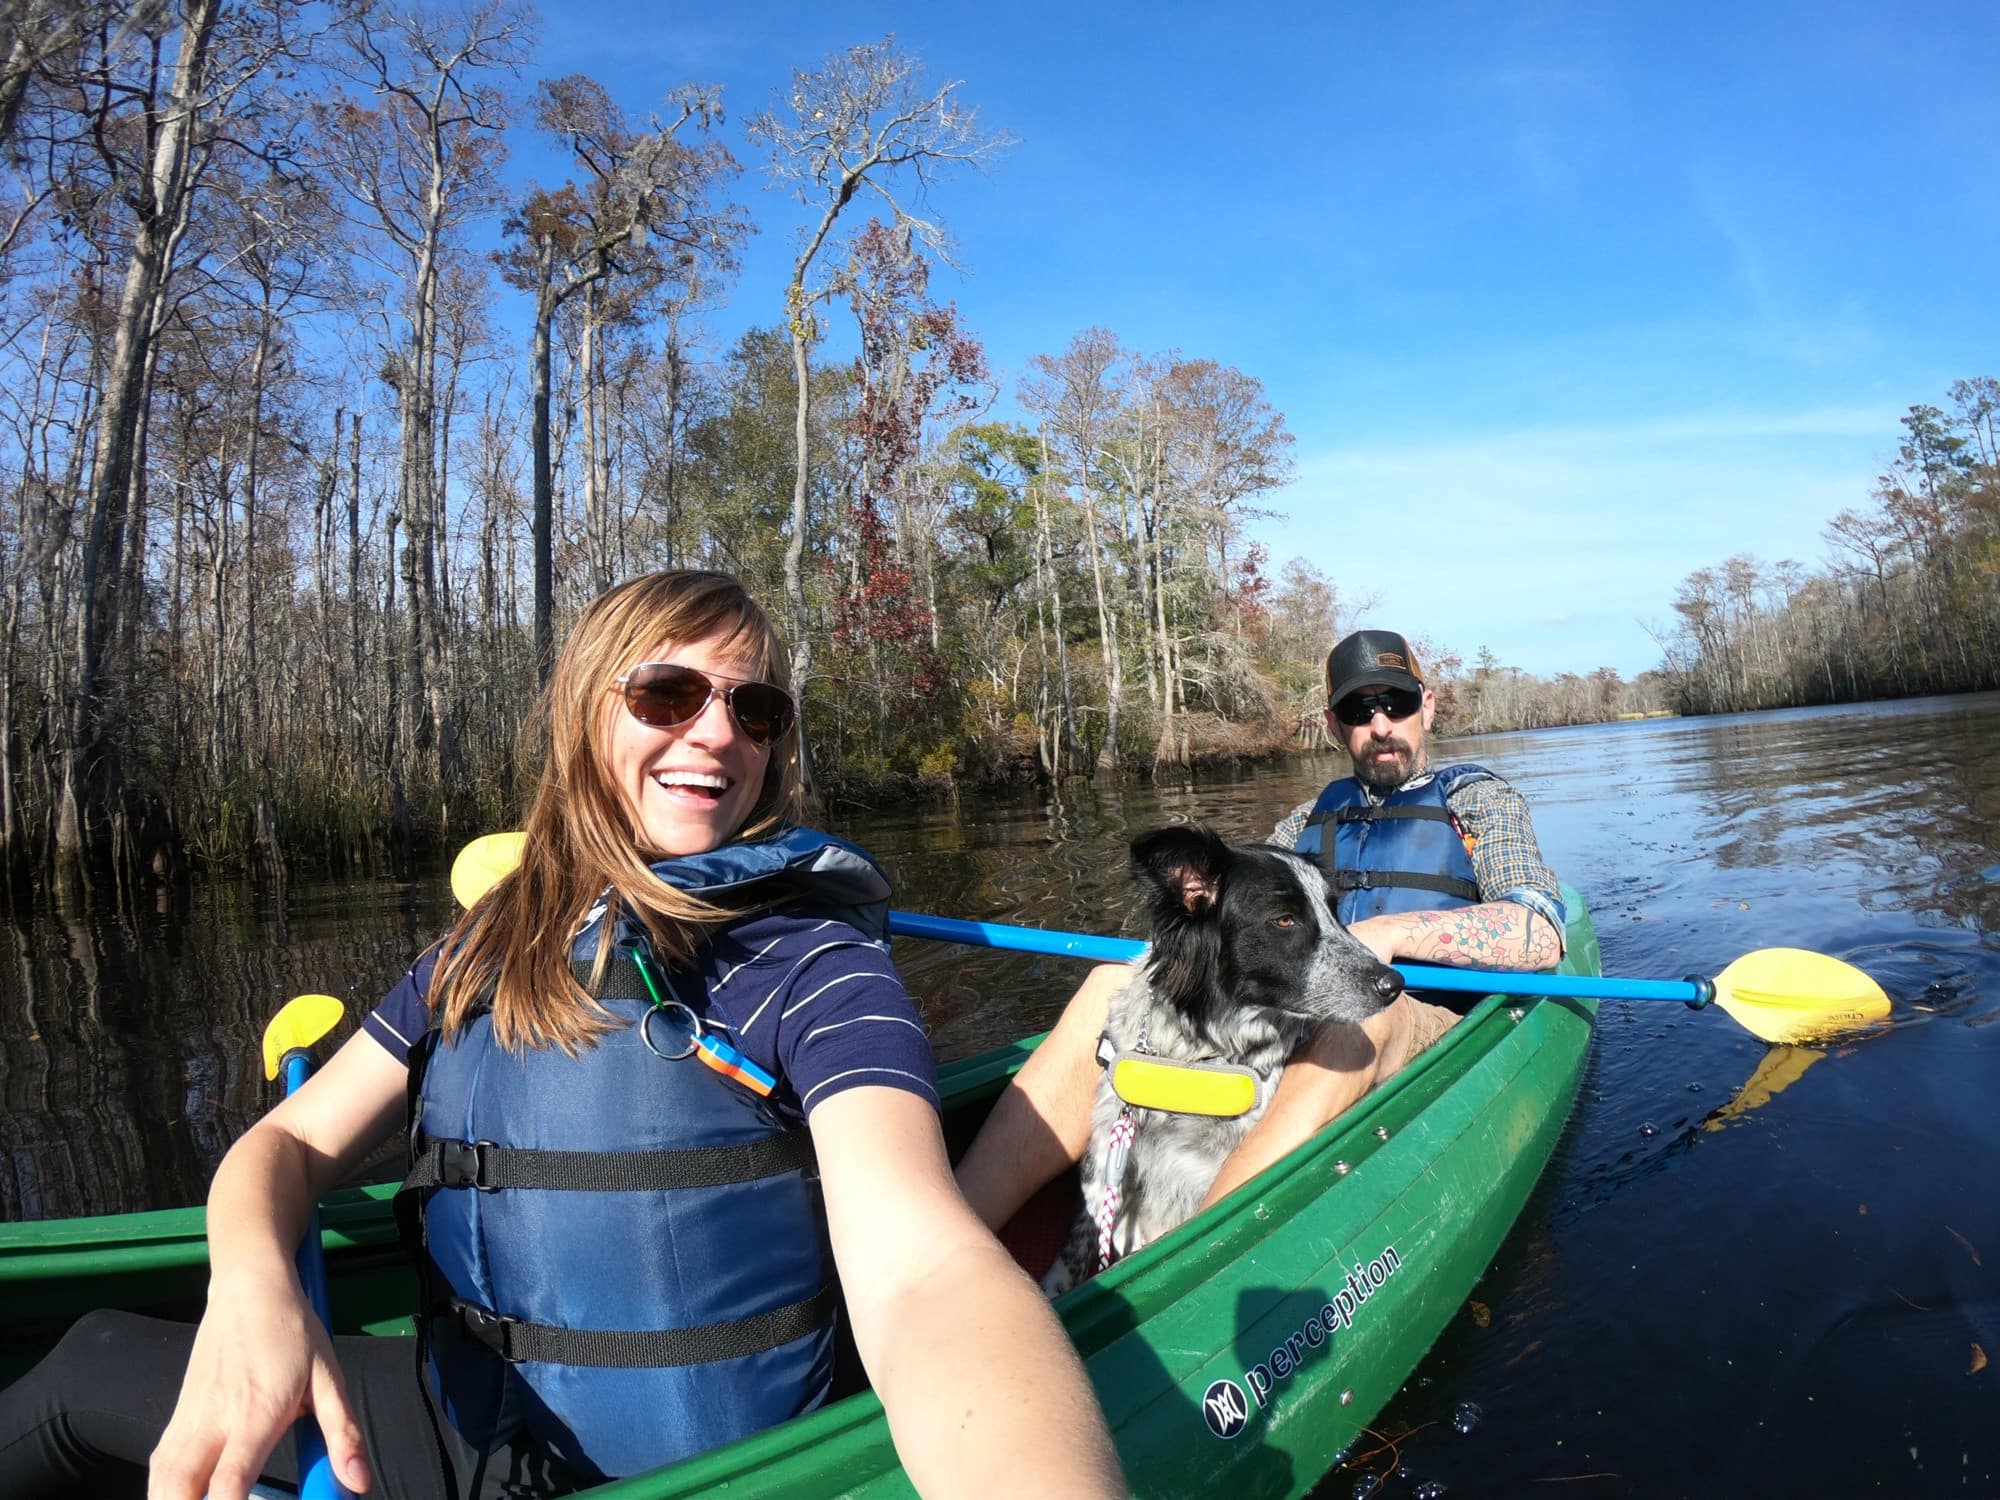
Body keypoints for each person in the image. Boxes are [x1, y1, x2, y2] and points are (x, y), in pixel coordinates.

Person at [0, 571, 1123, 1500]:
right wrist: (253, 1293)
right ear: (589, 711)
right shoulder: (486, 946)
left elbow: (924, 1269)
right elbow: (281, 1148)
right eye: (670, 693)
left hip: (696, 1469)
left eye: (755, 708)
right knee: (89, 1357)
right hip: (459, 1429)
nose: (717, 733)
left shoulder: (815, 965)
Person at [955, 627, 1565, 1235]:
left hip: (1428, 1022)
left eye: (1396, 704)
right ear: (1334, 724)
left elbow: (1539, 933)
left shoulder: (1477, 800)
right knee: (1107, 987)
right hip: (1301, 1018)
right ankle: (955, 1233)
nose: (1380, 725)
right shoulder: (1305, 821)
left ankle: (1205, 1253)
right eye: (1359, 709)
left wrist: (1393, 933)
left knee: (1364, 1018)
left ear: (1426, 707)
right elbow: (1221, 932)